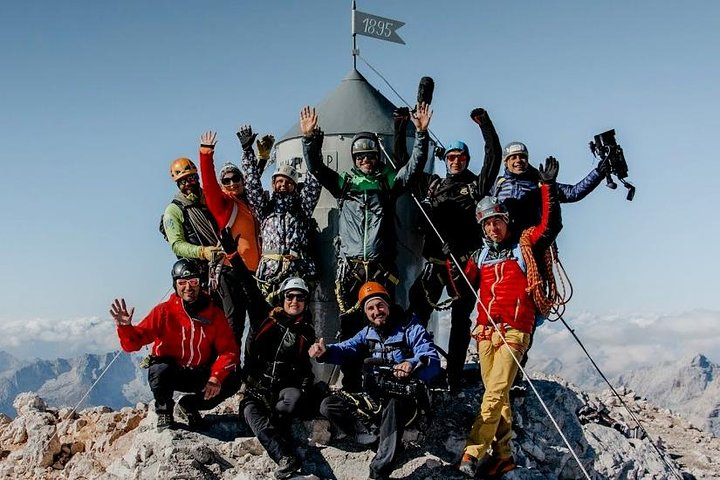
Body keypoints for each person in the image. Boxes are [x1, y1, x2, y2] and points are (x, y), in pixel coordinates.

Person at [302, 103, 432, 391]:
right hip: (351, 270)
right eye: (361, 157)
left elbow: (413, 169)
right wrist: (310, 140)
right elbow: (317, 169)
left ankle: (388, 380)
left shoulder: (387, 183)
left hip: (380, 267)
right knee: (350, 328)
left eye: (371, 156)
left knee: (386, 324)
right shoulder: (344, 183)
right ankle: (352, 386)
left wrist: (421, 133)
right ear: (355, 159)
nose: (367, 161)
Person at [457, 157, 562, 477]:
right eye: (487, 223)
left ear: (506, 220)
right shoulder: (482, 255)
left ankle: (472, 451)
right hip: (486, 332)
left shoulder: (523, 244)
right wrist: (452, 262)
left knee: (493, 393)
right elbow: (461, 286)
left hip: (515, 331)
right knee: (499, 398)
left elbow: (550, 225)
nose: (493, 226)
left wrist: (547, 188)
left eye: (497, 220)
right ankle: (503, 455)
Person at [406, 107, 501, 391]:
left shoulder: (475, 186)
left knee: (461, 321)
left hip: (464, 263)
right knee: (418, 314)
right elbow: (408, 166)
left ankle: (454, 375)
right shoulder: (434, 185)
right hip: (436, 262)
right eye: (450, 157)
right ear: (445, 160)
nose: (455, 161)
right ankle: (419, 365)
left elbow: (493, 158)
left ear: (466, 159)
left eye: (460, 157)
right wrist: (406, 130)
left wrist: (485, 124)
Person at [309, 282, 441, 480]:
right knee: (329, 404)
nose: (376, 311)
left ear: (388, 305)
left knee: (393, 404)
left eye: (380, 306)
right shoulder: (367, 333)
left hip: (405, 400)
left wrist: (411, 364)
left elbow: (430, 357)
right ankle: (377, 439)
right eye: (370, 308)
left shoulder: (410, 327)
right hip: (375, 398)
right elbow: (346, 348)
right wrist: (326, 352)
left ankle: (379, 470)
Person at [218, 228, 316, 479]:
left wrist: (305, 388)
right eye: (290, 296)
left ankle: (283, 445)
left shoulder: (306, 332)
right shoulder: (265, 315)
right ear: (282, 298)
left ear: (306, 302)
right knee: (251, 413)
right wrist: (232, 252)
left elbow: (305, 367)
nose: (294, 301)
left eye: (300, 298)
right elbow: (247, 282)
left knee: (292, 400)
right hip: (255, 388)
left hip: (283, 389)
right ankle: (285, 459)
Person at [109, 259, 240, 432]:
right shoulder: (164, 312)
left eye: (193, 282)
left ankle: (190, 405)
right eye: (182, 282)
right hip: (173, 373)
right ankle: (165, 412)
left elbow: (229, 350)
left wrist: (216, 376)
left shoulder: (214, 314)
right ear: (175, 285)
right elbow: (134, 343)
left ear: (200, 283)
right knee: (158, 369)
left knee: (233, 379)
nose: (188, 287)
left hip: (201, 372)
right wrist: (125, 328)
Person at [238, 123, 322, 301]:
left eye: (288, 182)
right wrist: (247, 151)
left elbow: (314, 181)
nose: (283, 185)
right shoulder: (265, 209)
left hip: (297, 274)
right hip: (270, 274)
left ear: (294, 186)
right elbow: (252, 184)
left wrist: (313, 147)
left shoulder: (302, 209)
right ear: (273, 184)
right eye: (279, 181)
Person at [198, 130, 262, 348]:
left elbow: (255, 183)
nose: (233, 182)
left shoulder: (250, 203)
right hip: (231, 271)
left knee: (258, 323)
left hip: (254, 274)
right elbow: (208, 186)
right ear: (222, 184)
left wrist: (258, 157)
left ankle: (252, 372)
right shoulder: (223, 205)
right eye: (227, 180)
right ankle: (230, 375)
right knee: (234, 324)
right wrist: (206, 154)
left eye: (236, 178)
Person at [492, 141, 606, 231]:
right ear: (505, 162)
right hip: (504, 245)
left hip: (533, 242)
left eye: (522, 157)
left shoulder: (541, 183)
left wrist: (598, 173)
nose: (518, 160)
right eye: (513, 157)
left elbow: (573, 193)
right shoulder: (497, 185)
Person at [162, 156, 223, 282]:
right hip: (202, 269)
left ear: (197, 178)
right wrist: (202, 252)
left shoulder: (211, 197)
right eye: (182, 182)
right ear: (178, 185)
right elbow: (177, 244)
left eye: (191, 178)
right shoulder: (173, 210)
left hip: (228, 255)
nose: (188, 184)